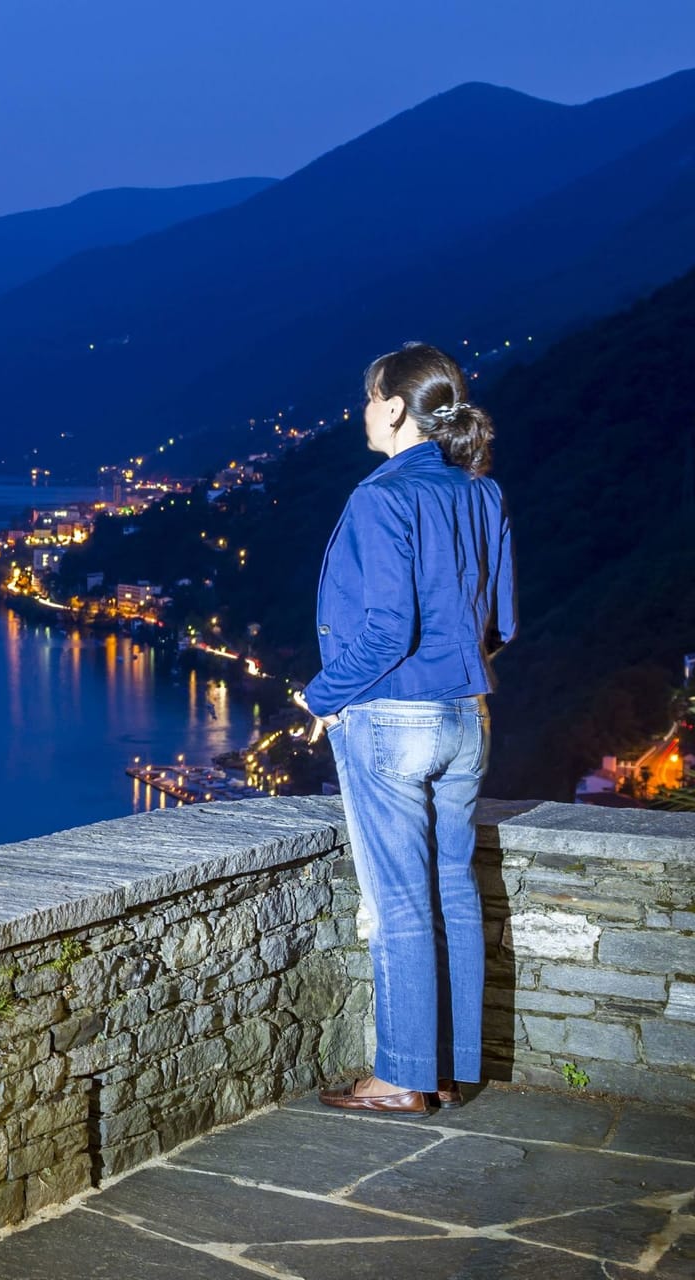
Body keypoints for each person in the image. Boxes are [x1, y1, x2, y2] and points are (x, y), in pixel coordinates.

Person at [292, 341, 516, 1114]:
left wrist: (322, 695)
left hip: (394, 719)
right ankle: (448, 1068)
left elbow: (387, 632)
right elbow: (501, 622)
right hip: (468, 717)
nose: (361, 411)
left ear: (393, 408)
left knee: (400, 903)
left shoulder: (380, 498)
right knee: (454, 889)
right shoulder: (481, 495)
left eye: (368, 397)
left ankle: (401, 1078)